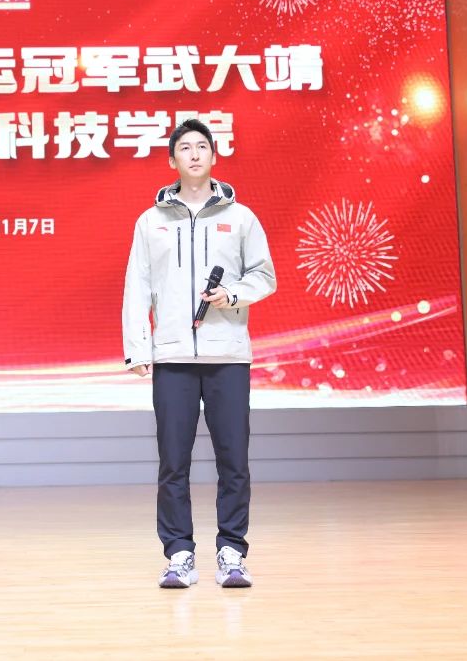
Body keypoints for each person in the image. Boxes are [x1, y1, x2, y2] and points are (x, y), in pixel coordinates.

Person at [122, 119, 276, 589]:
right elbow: (137, 286)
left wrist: (232, 295)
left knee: (234, 461)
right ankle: (179, 554)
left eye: (201, 146)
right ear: (172, 160)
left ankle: (232, 552)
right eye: (184, 147)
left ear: (213, 156)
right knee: (173, 463)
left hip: (227, 355)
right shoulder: (151, 221)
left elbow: (264, 275)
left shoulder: (241, 217)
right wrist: (138, 348)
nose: (193, 154)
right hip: (173, 358)